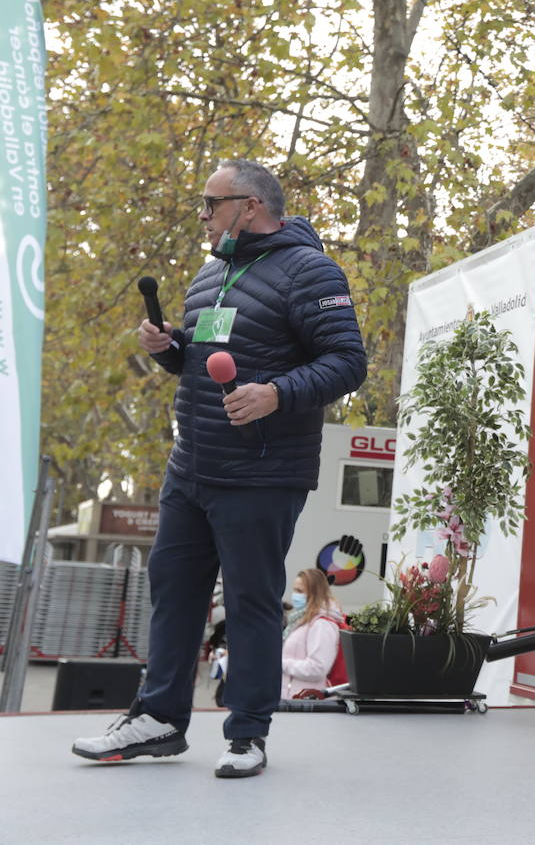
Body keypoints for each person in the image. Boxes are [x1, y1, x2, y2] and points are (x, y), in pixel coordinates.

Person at [72, 159, 366, 778]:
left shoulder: (311, 271)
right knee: (173, 596)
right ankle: (158, 720)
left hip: (262, 472)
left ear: (250, 207)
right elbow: (206, 358)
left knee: (252, 602)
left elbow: (347, 361)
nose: (202, 215)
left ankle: (247, 735)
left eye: (211, 203)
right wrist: (171, 348)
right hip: (192, 469)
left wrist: (276, 393)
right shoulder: (212, 276)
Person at [281, 568, 344, 699]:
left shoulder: (322, 624)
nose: (295, 595)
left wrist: (280, 663)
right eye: (294, 589)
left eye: (300, 591)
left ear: (314, 593)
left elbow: (317, 668)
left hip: (308, 701)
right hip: (294, 699)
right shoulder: (302, 621)